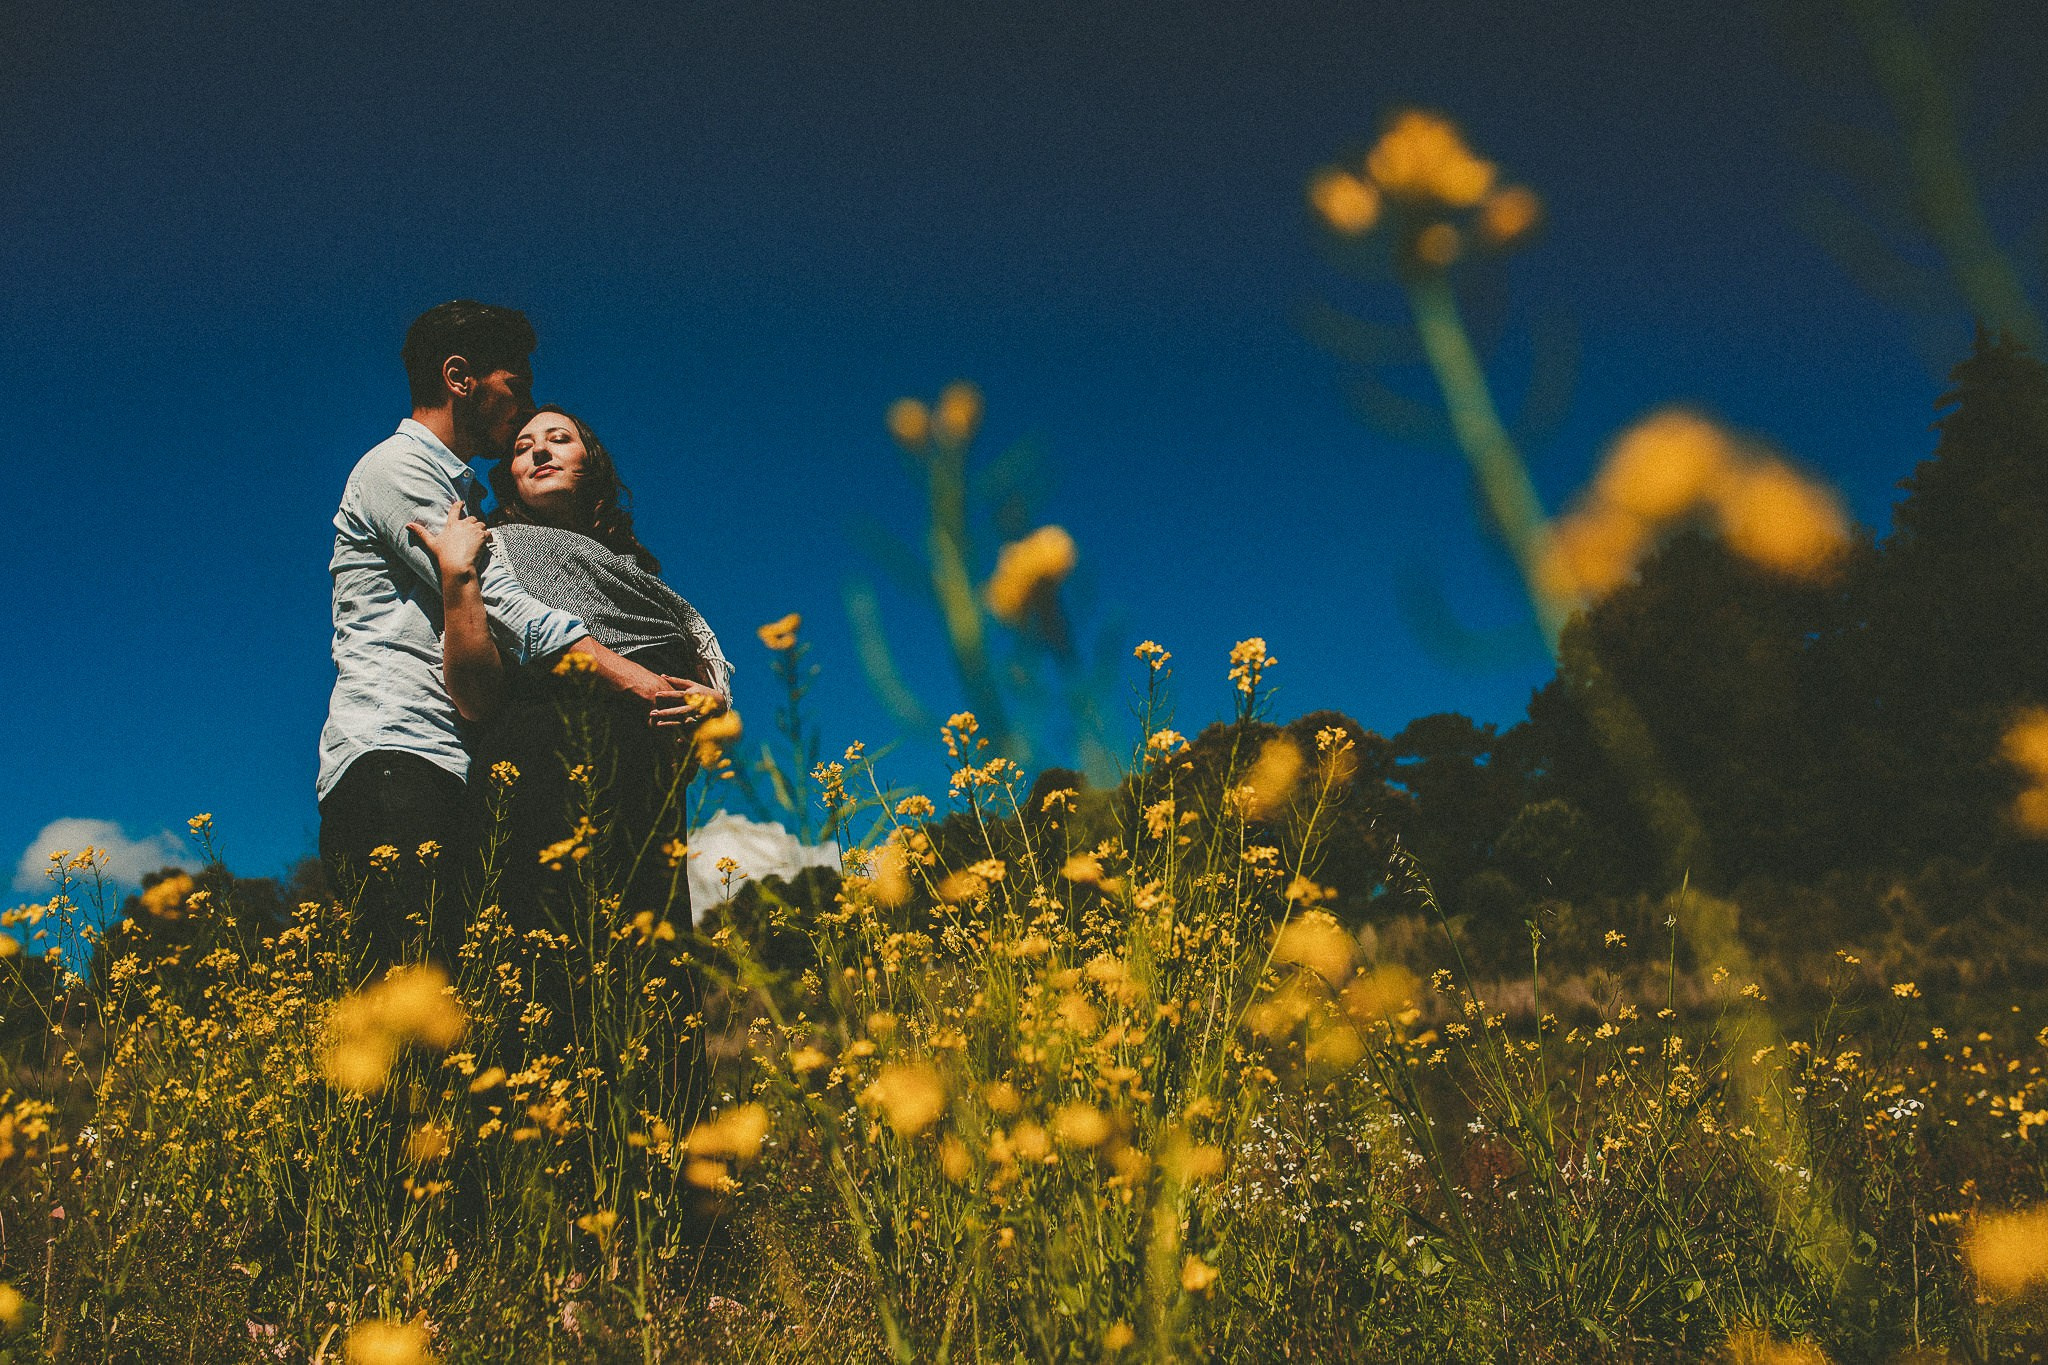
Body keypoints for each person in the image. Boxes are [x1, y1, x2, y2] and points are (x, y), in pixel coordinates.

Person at [317, 302, 697, 966]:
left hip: (453, 768)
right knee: (402, 1003)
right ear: (460, 378)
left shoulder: (462, 493)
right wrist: (645, 684)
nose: (522, 414)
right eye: (514, 389)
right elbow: (515, 611)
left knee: (453, 1013)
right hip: (394, 758)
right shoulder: (397, 469)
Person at [409, 405, 729, 938]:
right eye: (521, 447)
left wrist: (710, 703)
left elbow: (696, 668)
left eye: (559, 439)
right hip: (543, 773)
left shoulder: (637, 576)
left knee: (648, 970)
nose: (538, 451)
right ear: (509, 475)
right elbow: (472, 690)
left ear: (592, 465)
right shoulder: (493, 554)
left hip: (644, 785)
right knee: (552, 955)